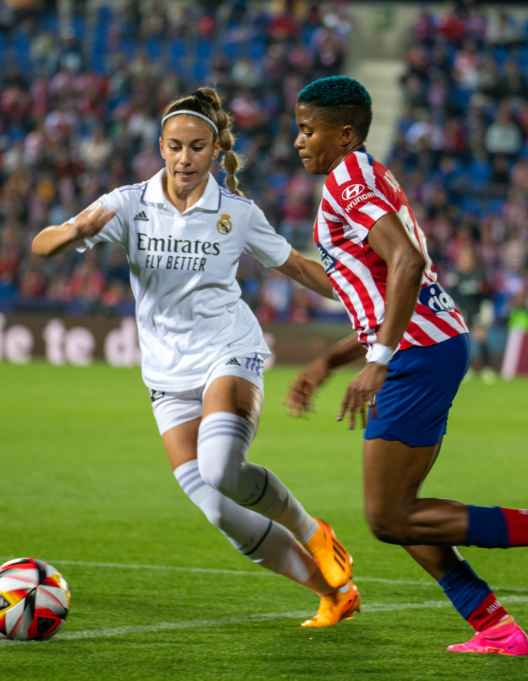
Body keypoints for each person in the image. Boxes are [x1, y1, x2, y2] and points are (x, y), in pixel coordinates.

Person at [286, 76, 528, 656]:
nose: (299, 140)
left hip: (415, 354)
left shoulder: (348, 180)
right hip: (430, 344)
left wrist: (379, 360)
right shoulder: (369, 176)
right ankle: (495, 626)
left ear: (345, 133)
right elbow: (375, 291)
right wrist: (330, 361)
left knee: (390, 516)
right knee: (404, 513)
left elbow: (406, 262)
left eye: (308, 129)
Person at [30, 88, 359, 627]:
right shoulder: (128, 203)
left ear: (215, 150)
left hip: (228, 350)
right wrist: (73, 233)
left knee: (220, 467)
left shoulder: (237, 213)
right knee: (218, 509)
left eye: (197, 147)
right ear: (161, 147)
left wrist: (369, 295)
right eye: (175, 147)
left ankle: (313, 531)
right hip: (166, 373)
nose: (185, 158)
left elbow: (299, 268)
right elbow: (41, 246)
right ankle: (333, 592)